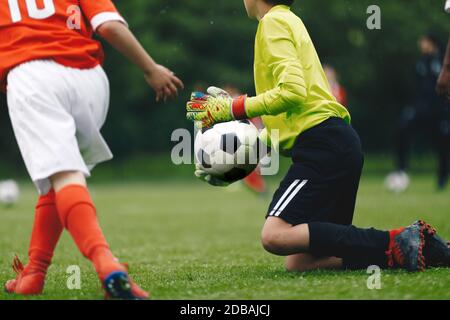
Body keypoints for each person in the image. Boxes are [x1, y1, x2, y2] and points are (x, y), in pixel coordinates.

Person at [186, 0, 449, 272]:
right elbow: (294, 112)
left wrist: (232, 108)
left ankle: (398, 239)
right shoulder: (288, 19)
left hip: (323, 146)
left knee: (274, 235)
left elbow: (292, 91)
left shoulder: (272, 23)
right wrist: (246, 147)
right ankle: (416, 252)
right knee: (301, 262)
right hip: (337, 144)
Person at [1, 0, 183, 298]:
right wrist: (151, 69)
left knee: (64, 174)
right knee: (59, 178)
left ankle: (107, 266)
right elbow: (109, 26)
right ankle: (34, 272)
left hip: (33, 74)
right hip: (89, 78)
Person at [393, 34, 449, 190]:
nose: (421, 44)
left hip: (440, 111)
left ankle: (442, 179)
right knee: (402, 127)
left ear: (431, 43)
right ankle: (401, 171)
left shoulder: (443, 60)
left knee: (442, 144)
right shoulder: (421, 63)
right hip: (421, 109)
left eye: (424, 41)